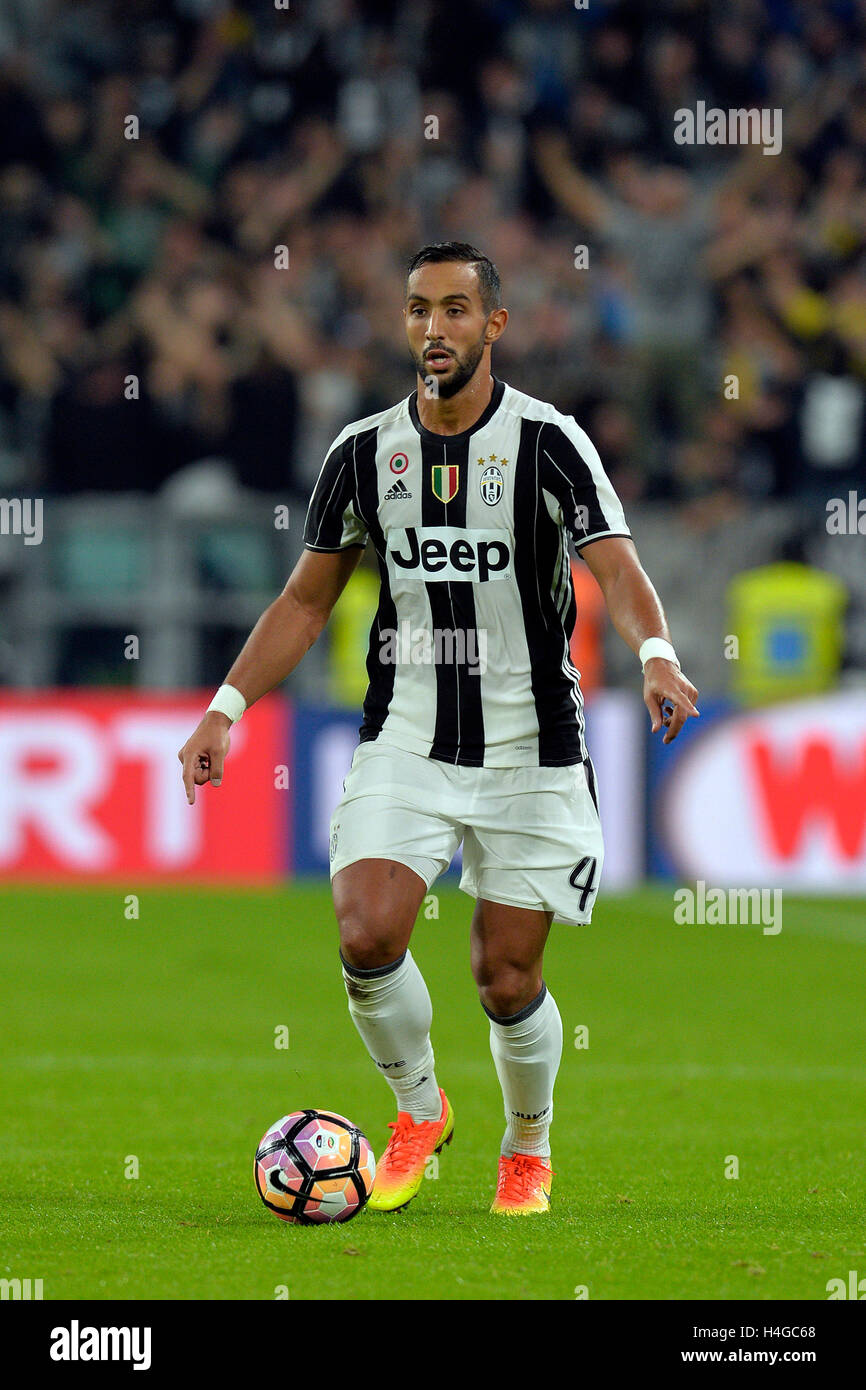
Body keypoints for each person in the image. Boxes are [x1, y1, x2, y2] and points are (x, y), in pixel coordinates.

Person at [178, 241, 699, 1216]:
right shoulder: (362, 453)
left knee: (504, 978)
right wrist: (225, 706)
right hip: (407, 733)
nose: (433, 329)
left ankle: (527, 1144)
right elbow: (303, 599)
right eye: (418, 309)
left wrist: (657, 651)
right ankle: (419, 1109)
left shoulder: (548, 443)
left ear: (493, 326)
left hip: (531, 746)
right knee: (367, 932)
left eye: (456, 310)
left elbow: (616, 567)